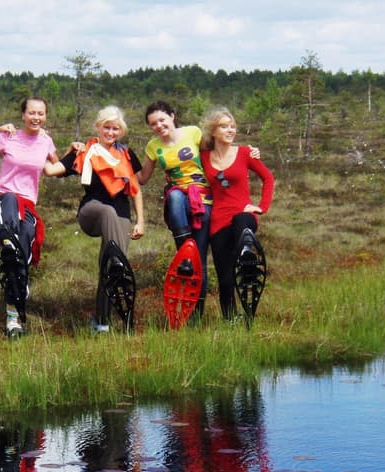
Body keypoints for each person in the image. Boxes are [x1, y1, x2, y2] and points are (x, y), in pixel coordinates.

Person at [0, 97, 61, 338]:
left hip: (27, 204)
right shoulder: (7, 136)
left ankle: (13, 318)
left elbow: (53, 169)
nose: (36, 117)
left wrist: (75, 152)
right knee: (9, 200)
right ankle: (8, 241)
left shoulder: (46, 142)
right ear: (23, 115)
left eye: (41, 113)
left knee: (23, 249)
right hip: (1, 199)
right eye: (31, 113)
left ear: (46, 116)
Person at [51, 105, 145, 334]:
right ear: (98, 127)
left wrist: (140, 220)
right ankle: (107, 316)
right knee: (108, 214)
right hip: (92, 211)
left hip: (121, 212)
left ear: (120, 131)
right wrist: (63, 148)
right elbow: (52, 170)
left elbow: (136, 188)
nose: (111, 132)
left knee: (113, 264)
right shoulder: (85, 151)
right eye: (107, 127)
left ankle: (103, 321)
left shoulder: (126, 154)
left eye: (115, 129)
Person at [137, 100, 213, 320]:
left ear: (172, 116)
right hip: (179, 203)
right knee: (176, 195)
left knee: (200, 261)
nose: (159, 126)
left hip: (203, 199)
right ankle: (184, 252)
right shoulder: (153, 147)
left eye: (162, 120)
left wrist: (246, 153)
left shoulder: (193, 132)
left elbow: (215, 156)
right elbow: (142, 177)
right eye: (153, 124)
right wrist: (117, 169)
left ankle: (196, 314)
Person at [200, 107, 274, 321]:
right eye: (224, 126)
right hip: (218, 221)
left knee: (242, 222)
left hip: (244, 215)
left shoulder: (244, 153)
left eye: (232, 126)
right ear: (213, 131)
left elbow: (268, 178)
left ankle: (246, 255)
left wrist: (261, 206)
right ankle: (230, 320)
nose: (230, 130)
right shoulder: (203, 156)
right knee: (225, 280)